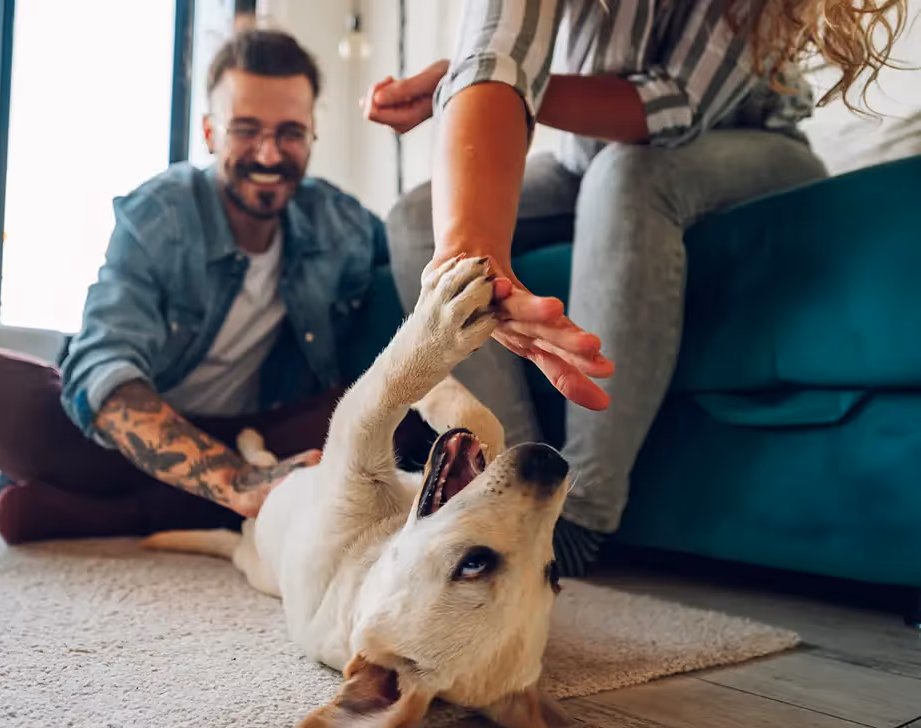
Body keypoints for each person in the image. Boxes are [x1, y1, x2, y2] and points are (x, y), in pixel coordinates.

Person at [366, 0, 908, 575]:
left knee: (627, 177)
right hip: (591, 156)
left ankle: (583, 514)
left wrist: (506, 75)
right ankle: (514, 486)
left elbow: (669, 104)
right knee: (414, 216)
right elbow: (494, 54)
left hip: (747, 147)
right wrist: (472, 248)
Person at [0, 29, 425, 544]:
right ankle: (210, 506)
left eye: (290, 132)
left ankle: (115, 516)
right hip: (134, 440)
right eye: (245, 130)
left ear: (312, 133)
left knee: (411, 418)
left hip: (260, 435)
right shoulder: (159, 216)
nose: (267, 155)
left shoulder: (340, 223)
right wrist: (235, 481)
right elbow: (100, 370)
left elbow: (423, 267)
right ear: (210, 133)